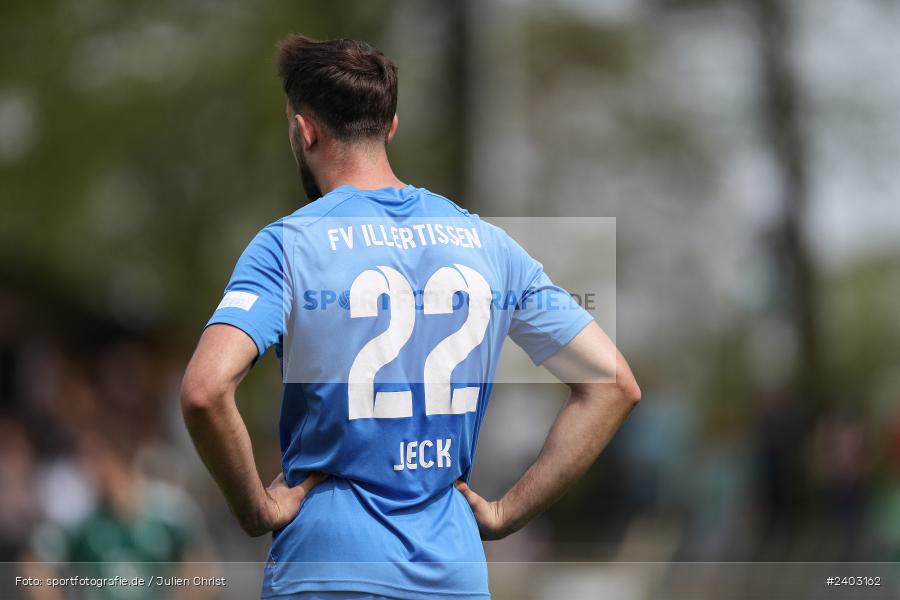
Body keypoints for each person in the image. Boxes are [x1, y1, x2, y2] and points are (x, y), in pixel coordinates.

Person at [181, 34, 641, 599]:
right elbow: (613, 384)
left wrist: (254, 507)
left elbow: (205, 389)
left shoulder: (288, 245)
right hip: (453, 569)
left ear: (305, 131)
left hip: (327, 566)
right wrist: (505, 512)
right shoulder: (488, 244)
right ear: (390, 127)